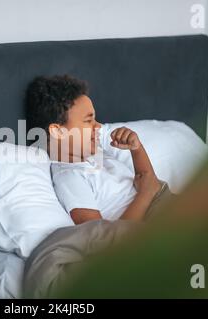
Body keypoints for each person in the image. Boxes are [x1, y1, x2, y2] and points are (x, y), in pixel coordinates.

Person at [26, 74, 169, 224]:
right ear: (58, 131)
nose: (98, 126)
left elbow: (148, 180)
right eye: (88, 121)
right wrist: (145, 194)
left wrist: (136, 148)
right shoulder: (70, 177)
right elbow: (102, 236)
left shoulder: (97, 154)